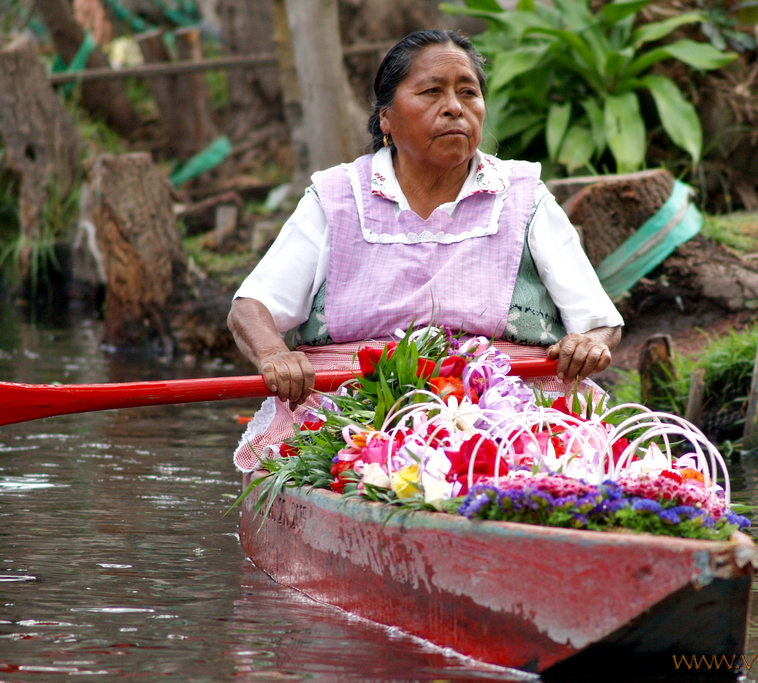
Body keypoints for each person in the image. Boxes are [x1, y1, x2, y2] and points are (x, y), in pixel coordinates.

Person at [228, 30, 623, 469]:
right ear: (386, 120)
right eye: (432, 91)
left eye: (468, 92)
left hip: (513, 408)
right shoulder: (337, 196)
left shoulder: (524, 195)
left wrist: (588, 343)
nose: (455, 106)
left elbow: (599, 322)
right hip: (353, 410)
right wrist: (275, 355)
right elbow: (252, 307)